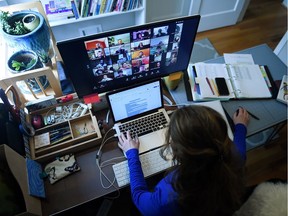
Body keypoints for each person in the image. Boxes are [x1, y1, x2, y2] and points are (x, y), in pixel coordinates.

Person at [118, 106, 250, 216]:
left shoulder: (169, 197)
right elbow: (240, 151)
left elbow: (139, 197)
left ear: (179, 151)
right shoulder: (233, 160)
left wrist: (132, 154)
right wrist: (240, 127)